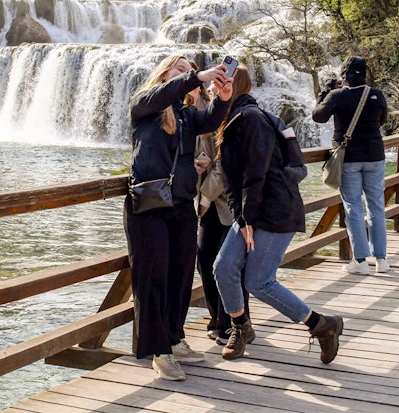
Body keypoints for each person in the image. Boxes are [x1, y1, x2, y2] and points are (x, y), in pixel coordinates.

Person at [213, 65, 343, 363]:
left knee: (259, 281)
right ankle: (240, 326)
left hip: (275, 209)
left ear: (235, 87)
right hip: (253, 210)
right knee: (223, 267)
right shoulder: (232, 119)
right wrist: (242, 218)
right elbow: (232, 180)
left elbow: (255, 174)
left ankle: (322, 325)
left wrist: (246, 219)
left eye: (219, 82)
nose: (211, 88)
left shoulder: (251, 119)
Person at [124, 55, 233, 381]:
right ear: (165, 74)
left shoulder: (186, 117)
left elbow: (212, 122)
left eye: (190, 70)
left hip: (182, 205)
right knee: (153, 278)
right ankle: (159, 352)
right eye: (181, 69)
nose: (189, 75)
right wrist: (197, 76)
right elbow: (162, 95)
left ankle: (174, 338)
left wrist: (222, 99)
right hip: (148, 207)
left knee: (181, 276)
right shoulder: (144, 105)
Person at [312, 55, 389, 274]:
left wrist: (325, 92)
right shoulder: (377, 94)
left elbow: (318, 116)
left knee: (353, 207)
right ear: (364, 73)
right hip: (375, 156)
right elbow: (381, 120)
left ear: (344, 74)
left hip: (349, 159)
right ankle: (381, 260)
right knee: (376, 207)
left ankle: (361, 261)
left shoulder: (337, 95)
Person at [194, 83, 251, 346]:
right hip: (209, 204)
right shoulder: (195, 114)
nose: (210, 88)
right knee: (205, 260)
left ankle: (234, 322)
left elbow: (223, 167)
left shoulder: (229, 116)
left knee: (228, 264)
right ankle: (217, 318)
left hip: (227, 203)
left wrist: (204, 196)